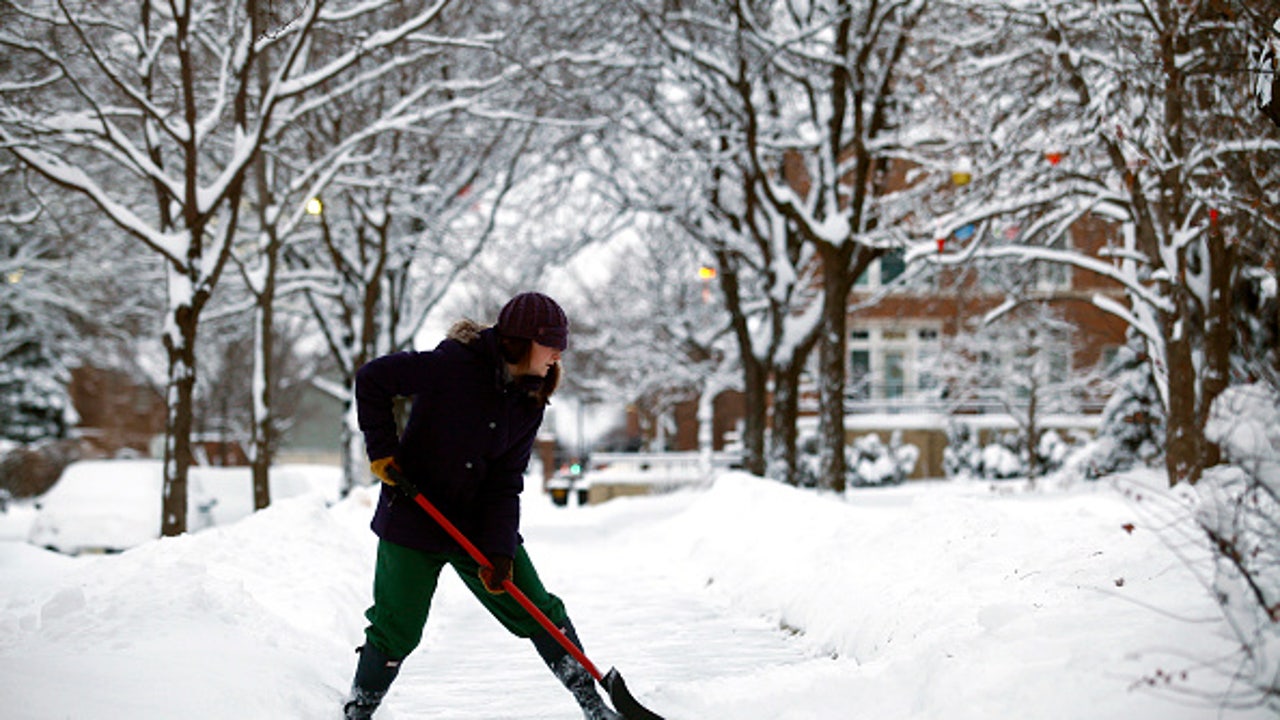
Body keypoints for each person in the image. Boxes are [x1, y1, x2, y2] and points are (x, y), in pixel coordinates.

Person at [343, 292, 620, 720]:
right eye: (552, 344)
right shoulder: (452, 365)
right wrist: (383, 451)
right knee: (397, 627)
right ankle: (358, 709)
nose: (558, 355)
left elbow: (505, 483)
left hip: (474, 528)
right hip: (414, 518)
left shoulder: (529, 403)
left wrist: (500, 552)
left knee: (539, 611)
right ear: (523, 340)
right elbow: (372, 379)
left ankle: (592, 705)